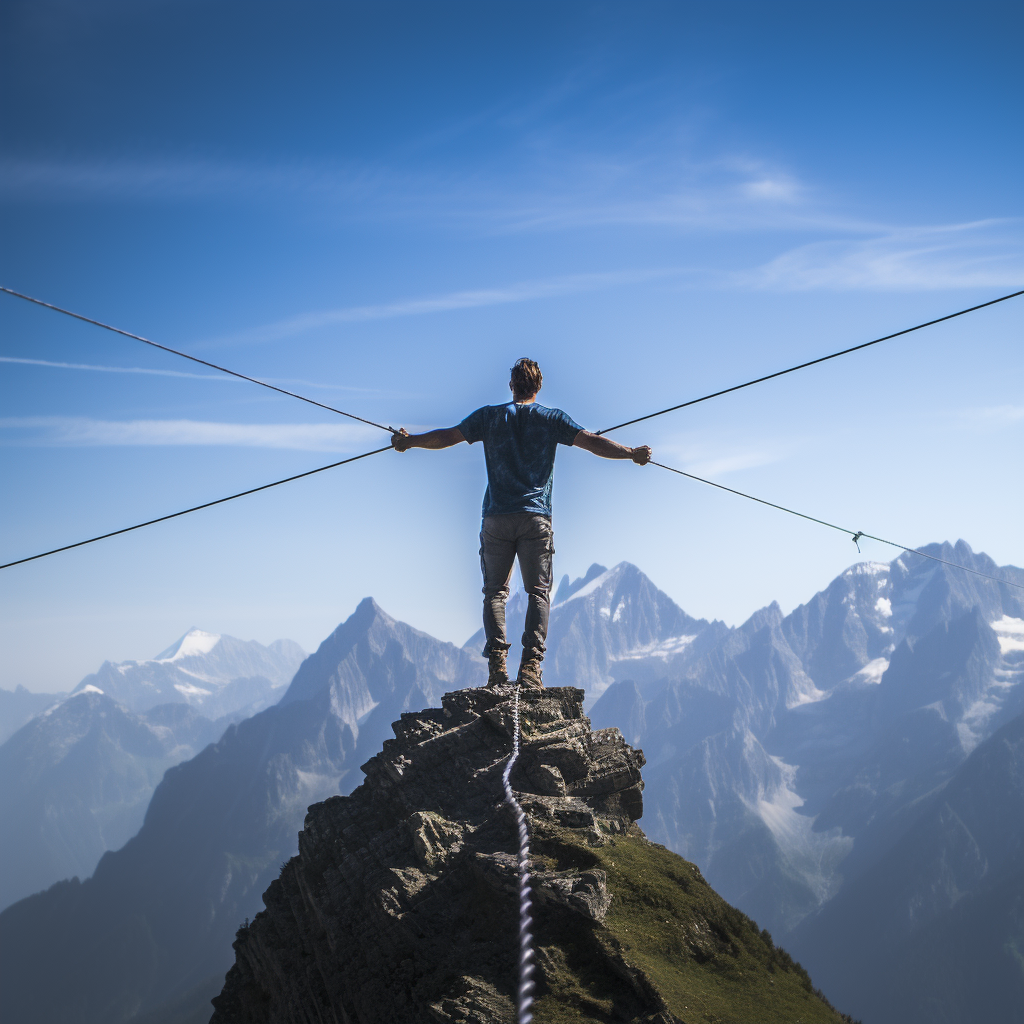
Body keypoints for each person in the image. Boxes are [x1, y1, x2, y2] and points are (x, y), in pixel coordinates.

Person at [392, 357, 652, 690]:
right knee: (538, 593)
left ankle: (498, 669)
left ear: (512, 384)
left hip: (497, 518)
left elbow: (448, 437)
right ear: (538, 387)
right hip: (535, 518)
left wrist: (410, 441)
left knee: (494, 595)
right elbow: (592, 442)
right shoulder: (551, 419)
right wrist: (631, 453)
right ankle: (530, 668)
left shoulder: (488, 417)